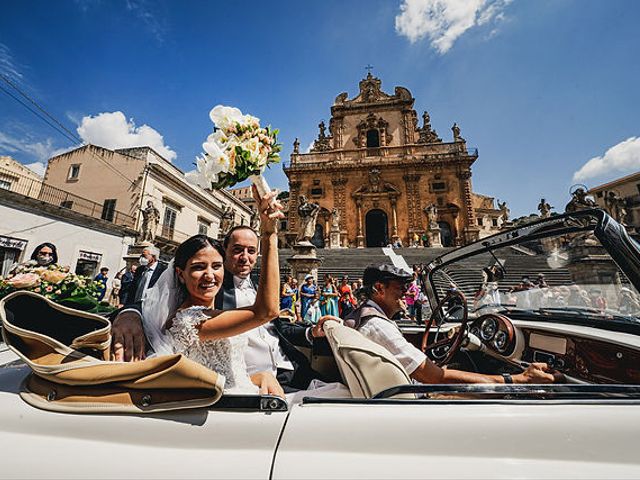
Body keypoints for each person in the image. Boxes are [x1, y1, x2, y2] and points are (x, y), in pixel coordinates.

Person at [143, 188, 286, 396]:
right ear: (181, 274)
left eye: (216, 266)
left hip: (244, 388)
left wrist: (261, 376)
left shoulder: (205, 312)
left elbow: (224, 370)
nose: (210, 275)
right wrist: (269, 234)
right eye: (199, 267)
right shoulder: (189, 321)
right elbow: (268, 311)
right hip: (224, 406)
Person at [342, 264, 560, 385]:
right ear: (379, 289)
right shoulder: (378, 326)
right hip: (415, 394)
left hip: (403, 385)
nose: (407, 292)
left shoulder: (366, 317)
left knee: (455, 367)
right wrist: (518, 379)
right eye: (400, 287)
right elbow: (434, 378)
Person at [213, 226, 328, 392]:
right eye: (237, 250)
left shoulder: (258, 287)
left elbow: (278, 328)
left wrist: (311, 332)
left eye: (251, 251)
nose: (245, 257)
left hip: (291, 369)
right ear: (224, 250)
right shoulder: (214, 292)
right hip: (256, 380)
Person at [109, 246, 167, 361]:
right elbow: (131, 290)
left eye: (144, 256)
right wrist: (125, 305)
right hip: (134, 308)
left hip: (152, 310)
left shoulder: (164, 270)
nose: (141, 258)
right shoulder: (140, 270)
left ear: (153, 257)